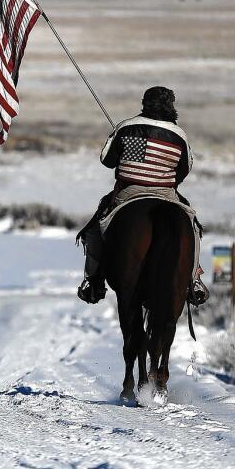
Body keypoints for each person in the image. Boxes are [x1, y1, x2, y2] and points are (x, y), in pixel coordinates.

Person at [76, 86, 209, 305]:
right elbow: (185, 168)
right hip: (167, 193)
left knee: (94, 230)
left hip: (128, 191)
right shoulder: (179, 135)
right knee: (192, 226)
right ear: (171, 106)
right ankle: (194, 280)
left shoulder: (127, 126)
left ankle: (92, 281)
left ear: (144, 103)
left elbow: (106, 159)